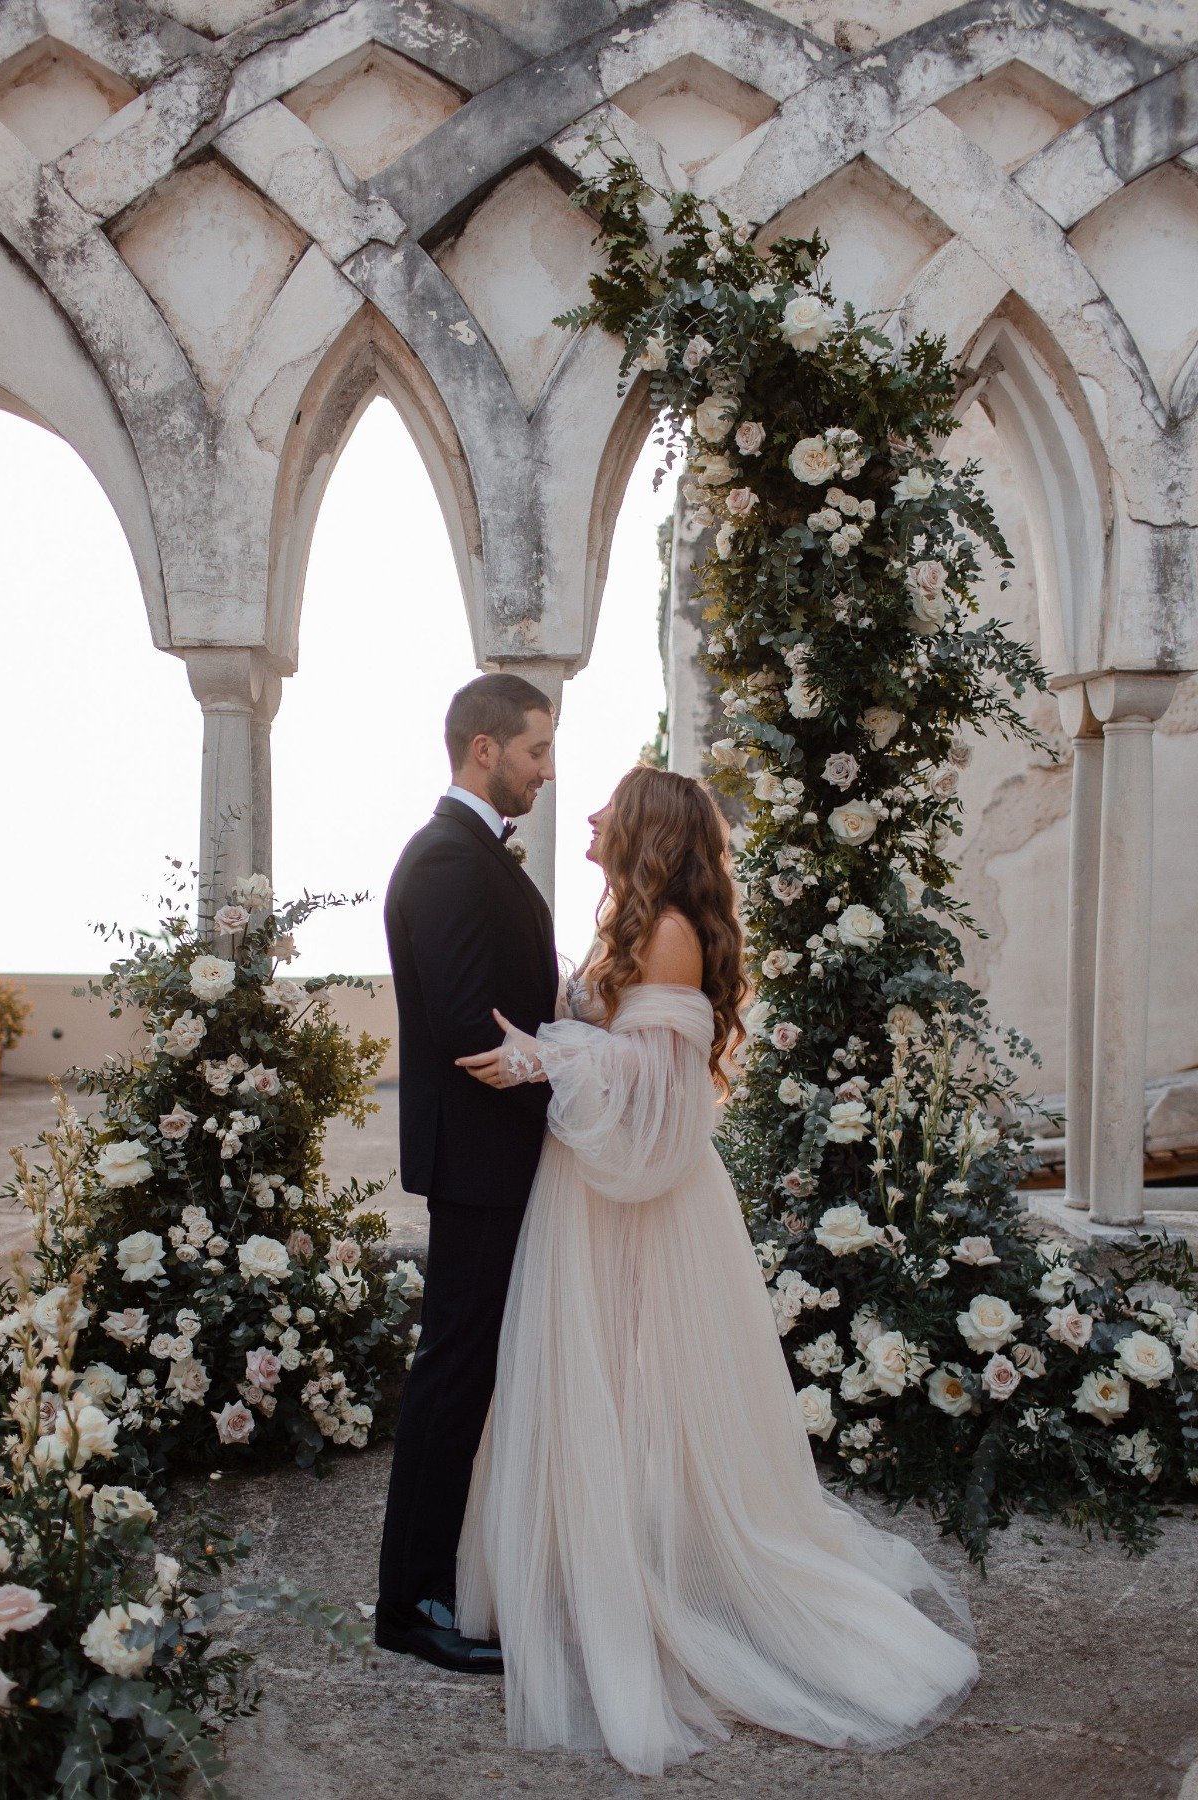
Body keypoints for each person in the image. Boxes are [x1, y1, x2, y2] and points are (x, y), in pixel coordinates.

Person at [454, 765, 978, 1776]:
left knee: (643, 1383)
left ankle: (656, 1583)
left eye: (612, 804)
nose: (594, 814)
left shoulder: (671, 936)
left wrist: (543, 1057)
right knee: (596, 1381)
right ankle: (596, 1557)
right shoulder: (630, 925)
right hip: (594, 1196)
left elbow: (662, 1093)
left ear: (646, 828)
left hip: (641, 1205)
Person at [374, 672, 559, 1673]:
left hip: (501, 1155)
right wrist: (565, 1069)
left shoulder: (470, 857)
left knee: (469, 1371)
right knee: (450, 1377)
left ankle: (441, 1584)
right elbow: (462, 1027)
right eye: (535, 749)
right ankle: (410, 1604)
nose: (545, 767)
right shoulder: (446, 862)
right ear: (484, 748)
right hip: (481, 1160)